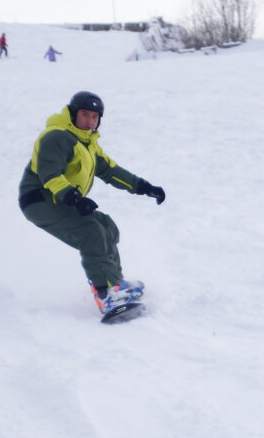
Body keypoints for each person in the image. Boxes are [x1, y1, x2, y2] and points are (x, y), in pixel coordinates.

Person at [18, 91, 165, 314]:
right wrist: (74, 197)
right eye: (85, 115)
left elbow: (111, 171)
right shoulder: (56, 136)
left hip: (63, 199)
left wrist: (144, 187)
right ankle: (106, 295)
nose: (89, 121)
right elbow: (50, 174)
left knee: (106, 227)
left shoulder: (87, 144)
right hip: (39, 199)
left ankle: (116, 284)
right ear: (73, 114)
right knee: (91, 232)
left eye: (94, 117)